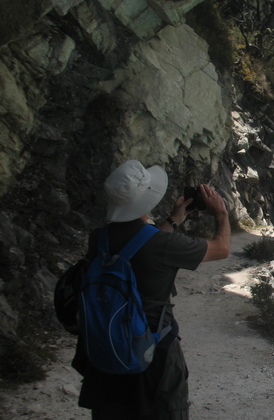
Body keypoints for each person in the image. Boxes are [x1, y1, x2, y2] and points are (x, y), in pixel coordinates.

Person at [72, 160, 231, 419]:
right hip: (152, 353)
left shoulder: (98, 238)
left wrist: (173, 219)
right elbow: (221, 249)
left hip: (104, 350)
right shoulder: (163, 244)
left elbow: (135, 247)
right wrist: (221, 214)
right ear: (147, 200)